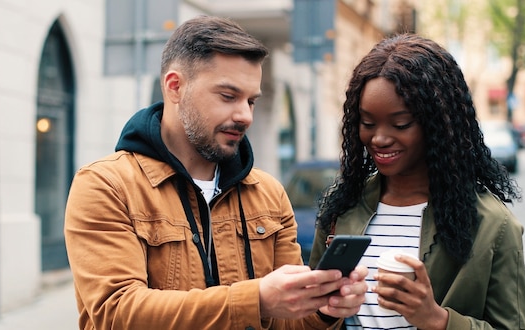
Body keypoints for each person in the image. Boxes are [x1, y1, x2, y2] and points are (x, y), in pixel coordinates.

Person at [64, 15, 368, 329]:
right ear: (175, 87)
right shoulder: (106, 185)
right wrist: (256, 299)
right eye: (228, 96)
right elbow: (116, 313)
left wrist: (325, 310)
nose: (245, 115)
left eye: (251, 100)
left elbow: (288, 323)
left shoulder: (269, 194)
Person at [309, 34, 525, 330]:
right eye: (367, 123)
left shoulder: (493, 225)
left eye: (400, 124)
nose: (379, 138)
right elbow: (309, 318)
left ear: (438, 124)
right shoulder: (343, 205)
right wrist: (325, 311)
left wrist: (437, 319)